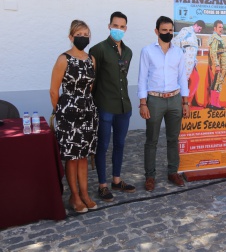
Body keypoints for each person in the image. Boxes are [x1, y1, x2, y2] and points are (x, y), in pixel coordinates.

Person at [50, 20, 98, 213]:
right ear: (71, 37)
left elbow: (90, 87)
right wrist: (63, 112)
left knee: (84, 156)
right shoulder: (63, 59)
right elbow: (54, 91)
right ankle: (74, 196)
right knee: (72, 157)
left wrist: (84, 106)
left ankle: (85, 193)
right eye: (79, 34)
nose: (83, 37)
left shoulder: (91, 59)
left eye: (86, 34)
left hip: (88, 112)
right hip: (68, 115)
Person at [138, 16, 190, 192]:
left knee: (173, 139)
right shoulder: (147, 51)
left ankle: (172, 172)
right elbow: (142, 78)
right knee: (151, 140)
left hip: (175, 99)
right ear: (156, 31)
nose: (167, 33)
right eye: (164, 30)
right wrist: (143, 103)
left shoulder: (178, 52)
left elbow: (182, 77)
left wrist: (185, 101)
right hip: (154, 100)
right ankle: (150, 176)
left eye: (170, 30)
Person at [89, 11, 135, 202]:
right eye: (115, 26)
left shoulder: (128, 52)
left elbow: (122, 78)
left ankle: (116, 180)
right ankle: (102, 185)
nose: (118, 29)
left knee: (120, 144)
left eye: (122, 26)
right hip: (105, 105)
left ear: (126, 28)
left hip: (124, 107)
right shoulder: (97, 50)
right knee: (103, 145)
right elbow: (92, 80)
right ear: (109, 26)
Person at [172, 20, 206, 106]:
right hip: (184, 62)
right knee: (183, 81)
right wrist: (181, 52)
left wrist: (195, 60)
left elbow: (193, 50)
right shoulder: (186, 30)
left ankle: (187, 101)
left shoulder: (193, 35)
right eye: (199, 29)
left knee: (194, 80)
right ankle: (181, 102)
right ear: (196, 25)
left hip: (191, 63)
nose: (200, 31)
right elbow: (175, 41)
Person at [206, 20, 226, 110]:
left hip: (221, 65)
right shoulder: (215, 38)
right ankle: (215, 103)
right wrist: (217, 65)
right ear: (215, 28)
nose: (221, 29)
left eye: (222, 27)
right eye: (219, 27)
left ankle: (213, 103)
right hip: (220, 65)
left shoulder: (218, 37)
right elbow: (213, 52)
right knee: (218, 82)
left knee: (217, 82)